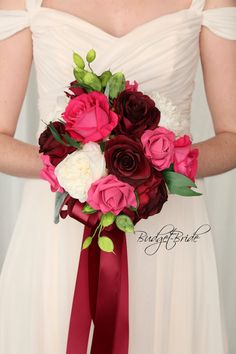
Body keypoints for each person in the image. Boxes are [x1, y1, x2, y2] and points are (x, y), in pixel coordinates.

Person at [0, 0, 235, 353]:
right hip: (59, 231)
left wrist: (155, 165)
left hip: (167, 231)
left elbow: (231, 138)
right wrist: (78, 168)